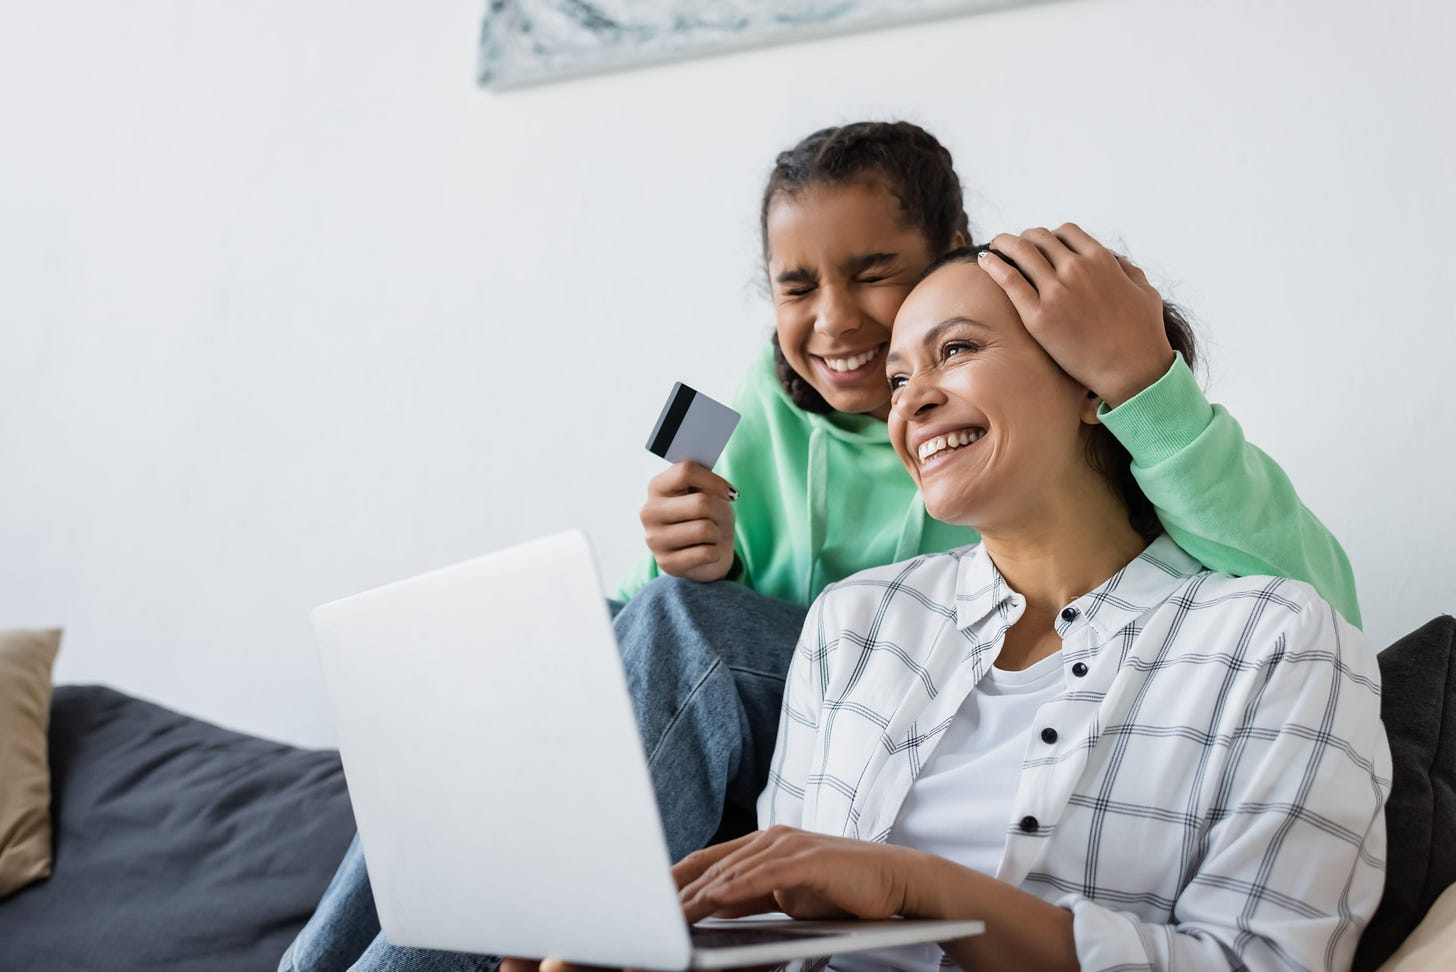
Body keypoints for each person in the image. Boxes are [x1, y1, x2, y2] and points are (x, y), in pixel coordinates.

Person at [281, 123, 1362, 972]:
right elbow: (646, 641)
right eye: (798, 287)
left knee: (679, 628)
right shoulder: (770, 424)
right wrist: (678, 559)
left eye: (882, 282)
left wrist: (1138, 380)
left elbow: (1306, 603)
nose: (839, 324)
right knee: (529, 697)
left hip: (770, 685)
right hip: (815, 708)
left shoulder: (1247, 624)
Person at [512, 242, 1391, 972]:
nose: (913, 402)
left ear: (1097, 385)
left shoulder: (1275, 641)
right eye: (899, 378)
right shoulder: (854, 623)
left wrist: (916, 887)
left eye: (957, 351)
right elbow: (780, 935)